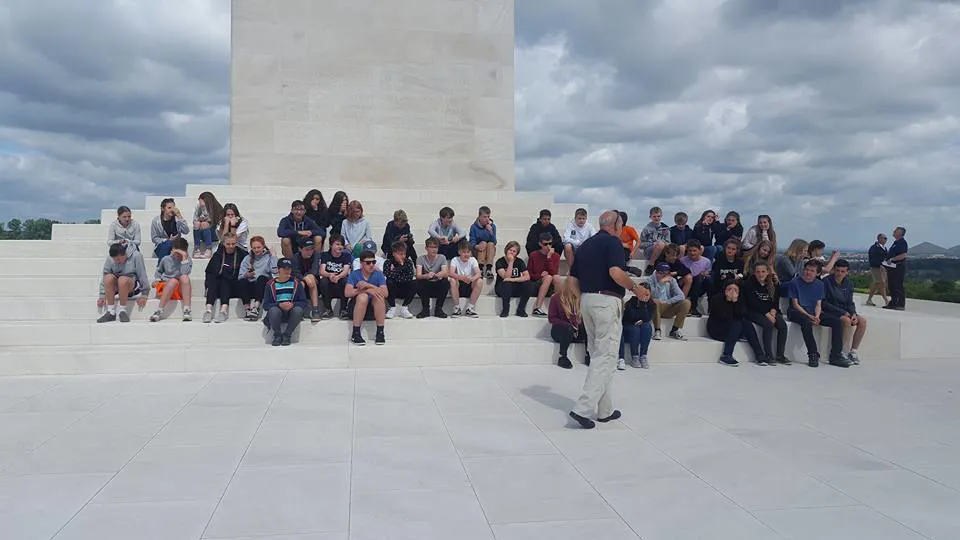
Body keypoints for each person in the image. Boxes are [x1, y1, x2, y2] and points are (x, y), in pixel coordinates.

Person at [567, 210, 647, 429]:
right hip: (606, 301)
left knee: (600, 356)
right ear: (616, 225)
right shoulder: (613, 243)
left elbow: (572, 280)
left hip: (586, 301)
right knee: (606, 355)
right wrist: (635, 288)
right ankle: (583, 409)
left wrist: (581, 301)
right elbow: (615, 272)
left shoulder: (584, 246)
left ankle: (605, 410)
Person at [786, 260, 850, 368]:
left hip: (812, 311)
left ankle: (835, 355)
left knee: (837, 322)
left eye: (812, 271)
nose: (808, 272)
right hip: (796, 311)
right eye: (806, 269)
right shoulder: (795, 282)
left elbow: (818, 304)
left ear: (817, 273)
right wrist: (809, 316)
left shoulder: (819, 285)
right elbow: (795, 304)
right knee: (806, 322)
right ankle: (813, 354)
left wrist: (816, 316)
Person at [707, 281, 766, 366]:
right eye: (729, 289)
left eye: (735, 289)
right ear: (725, 290)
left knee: (747, 324)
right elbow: (724, 316)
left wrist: (735, 302)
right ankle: (726, 355)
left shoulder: (740, 299)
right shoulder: (717, 299)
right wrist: (729, 301)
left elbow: (742, 315)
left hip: (733, 328)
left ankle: (759, 355)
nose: (732, 291)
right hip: (717, 328)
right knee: (737, 323)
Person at [742, 262, 791, 365]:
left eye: (763, 271)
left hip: (769, 310)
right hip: (753, 311)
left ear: (768, 272)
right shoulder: (748, 284)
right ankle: (768, 355)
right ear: (754, 273)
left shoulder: (773, 284)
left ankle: (780, 354)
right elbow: (752, 302)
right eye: (758, 272)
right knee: (768, 325)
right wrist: (766, 314)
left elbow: (775, 300)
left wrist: (773, 310)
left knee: (782, 325)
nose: (761, 274)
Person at [823, 259, 868, 365]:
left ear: (847, 272)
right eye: (837, 270)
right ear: (833, 270)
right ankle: (842, 352)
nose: (839, 274)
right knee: (846, 321)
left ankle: (853, 352)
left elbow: (850, 302)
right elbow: (824, 303)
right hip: (831, 310)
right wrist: (843, 313)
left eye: (843, 271)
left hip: (846, 310)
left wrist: (853, 313)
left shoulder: (848, 283)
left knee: (862, 322)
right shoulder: (826, 282)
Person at [202, 232, 249, 323]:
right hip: (219, 287)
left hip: (235, 286)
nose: (231, 246)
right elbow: (210, 272)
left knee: (225, 280)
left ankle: (223, 311)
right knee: (215, 280)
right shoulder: (218, 255)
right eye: (228, 244)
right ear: (223, 243)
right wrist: (207, 286)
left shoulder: (242, 254)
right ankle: (208, 310)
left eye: (233, 244)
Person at [97, 244, 149, 323]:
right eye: (114, 260)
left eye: (118, 259)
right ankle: (111, 311)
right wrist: (102, 295)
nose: (117, 262)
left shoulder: (136, 255)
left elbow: (142, 274)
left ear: (125, 254)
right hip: (116, 286)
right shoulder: (110, 258)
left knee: (122, 279)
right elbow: (105, 276)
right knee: (108, 277)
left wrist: (144, 294)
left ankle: (122, 310)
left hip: (130, 284)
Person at [262, 258, 309, 346]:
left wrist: (292, 304)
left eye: (289, 269)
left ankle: (287, 335)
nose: (287, 271)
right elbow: (266, 305)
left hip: (291, 312)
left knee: (298, 310)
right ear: (278, 269)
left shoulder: (296, 283)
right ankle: (277, 335)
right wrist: (279, 305)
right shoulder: (270, 284)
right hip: (277, 312)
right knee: (274, 310)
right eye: (284, 269)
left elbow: (303, 302)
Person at [346, 250, 389, 346]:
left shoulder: (378, 274)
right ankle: (355, 333)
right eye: (368, 263)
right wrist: (364, 290)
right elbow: (347, 292)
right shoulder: (354, 274)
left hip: (374, 310)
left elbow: (385, 293)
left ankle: (380, 333)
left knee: (379, 296)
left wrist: (368, 285)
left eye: (373, 262)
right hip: (357, 308)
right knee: (363, 297)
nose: (371, 265)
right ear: (361, 263)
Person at [149, 237, 193, 322]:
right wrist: (157, 280)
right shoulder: (166, 259)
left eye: (181, 253)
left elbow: (185, 273)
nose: (178, 255)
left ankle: (187, 310)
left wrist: (184, 258)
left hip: (180, 289)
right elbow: (159, 271)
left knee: (184, 278)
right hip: (166, 286)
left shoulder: (187, 261)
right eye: (177, 252)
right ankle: (159, 310)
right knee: (173, 280)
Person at [548, 281, 589, 369]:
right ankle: (562, 356)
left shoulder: (580, 298)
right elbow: (552, 318)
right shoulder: (556, 298)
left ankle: (588, 354)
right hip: (560, 331)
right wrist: (567, 324)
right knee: (568, 328)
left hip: (576, 332)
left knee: (587, 326)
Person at [646, 262, 691, 341]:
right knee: (655, 301)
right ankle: (657, 330)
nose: (664, 275)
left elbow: (681, 296)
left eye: (666, 273)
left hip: (667, 306)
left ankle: (675, 330)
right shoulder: (649, 280)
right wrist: (660, 283)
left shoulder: (672, 280)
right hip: (654, 308)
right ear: (656, 272)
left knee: (686, 302)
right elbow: (652, 296)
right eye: (661, 273)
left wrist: (668, 301)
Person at [238, 235, 278, 321]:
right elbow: (240, 276)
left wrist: (274, 255)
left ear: (263, 246)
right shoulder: (247, 258)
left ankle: (256, 307)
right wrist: (246, 275)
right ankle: (247, 309)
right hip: (251, 285)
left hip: (262, 286)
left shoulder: (269, 257)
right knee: (242, 281)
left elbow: (275, 272)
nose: (256, 250)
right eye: (254, 248)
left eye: (258, 247)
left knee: (262, 278)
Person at [317, 235, 353, 320]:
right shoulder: (325, 255)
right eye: (337, 244)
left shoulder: (346, 256)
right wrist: (330, 275)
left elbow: (345, 271)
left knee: (346, 280)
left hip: (340, 282)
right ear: (331, 245)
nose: (340, 247)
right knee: (323, 281)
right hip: (329, 283)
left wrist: (338, 276)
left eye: (341, 244)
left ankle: (343, 309)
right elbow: (322, 271)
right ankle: (328, 309)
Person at [495, 241, 534, 318]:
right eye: (510, 250)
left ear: (517, 253)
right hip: (502, 288)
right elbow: (506, 277)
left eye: (514, 251)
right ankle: (505, 309)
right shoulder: (500, 262)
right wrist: (511, 262)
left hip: (515, 286)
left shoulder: (520, 261)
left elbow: (527, 277)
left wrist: (513, 280)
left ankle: (521, 309)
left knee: (528, 284)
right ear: (506, 250)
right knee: (507, 284)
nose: (512, 252)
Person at [620, 282, 654, 369]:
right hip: (628, 328)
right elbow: (629, 317)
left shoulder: (652, 304)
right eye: (642, 293)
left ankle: (643, 356)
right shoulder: (631, 302)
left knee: (647, 327)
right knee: (635, 328)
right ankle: (634, 356)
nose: (645, 296)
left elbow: (647, 318)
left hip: (640, 328)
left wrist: (643, 304)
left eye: (647, 294)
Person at [415, 238, 449, 318]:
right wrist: (426, 276)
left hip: (437, 284)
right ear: (426, 248)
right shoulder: (420, 259)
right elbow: (418, 275)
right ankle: (425, 309)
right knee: (419, 282)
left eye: (436, 247)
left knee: (445, 282)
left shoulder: (442, 257)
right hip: (427, 285)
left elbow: (445, 273)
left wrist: (438, 274)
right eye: (431, 247)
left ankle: (439, 309)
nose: (434, 250)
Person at [382, 241, 417, 319]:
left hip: (404, 289)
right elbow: (388, 275)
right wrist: (400, 266)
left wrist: (395, 274)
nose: (403, 256)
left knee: (415, 283)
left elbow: (409, 277)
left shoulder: (408, 262)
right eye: (400, 254)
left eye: (404, 254)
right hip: (393, 289)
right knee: (389, 282)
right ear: (394, 253)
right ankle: (392, 307)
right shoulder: (388, 262)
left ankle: (404, 307)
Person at [528, 232, 561, 317]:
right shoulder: (534, 255)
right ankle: (537, 307)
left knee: (556, 277)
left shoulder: (556, 256)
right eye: (545, 244)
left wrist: (549, 258)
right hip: (536, 284)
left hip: (550, 286)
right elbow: (529, 274)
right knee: (548, 277)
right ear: (540, 244)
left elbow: (554, 272)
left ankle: (560, 307)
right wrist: (540, 276)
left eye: (550, 243)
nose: (548, 246)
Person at [449, 239, 483, 317]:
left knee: (480, 281)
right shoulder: (455, 260)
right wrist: (461, 277)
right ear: (459, 252)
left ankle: (470, 308)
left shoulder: (473, 260)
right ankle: (457, 308)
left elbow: (478, 273)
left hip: (469, 284)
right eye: (464, 252)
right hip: (459, 286)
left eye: (468, 252)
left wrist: (471, 279)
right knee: (452, 280)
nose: (466, 254)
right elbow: (451, 273)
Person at [290, 238, 322, 321]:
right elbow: (295, 273)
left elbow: (315, 270)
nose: (310, 252)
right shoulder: (295, 258)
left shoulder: (316, 255)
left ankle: (315, 310)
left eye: (311, 249)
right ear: (300, 249)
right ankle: (299, 309)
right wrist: (305, 278)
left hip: (314, 283)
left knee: (311, 278)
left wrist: (308, 276)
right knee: (301, 283)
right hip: (301, 282)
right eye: (307, 249)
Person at [680, 239, 712, 317]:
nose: (692, 253)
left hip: (700, 287)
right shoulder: (682, 261)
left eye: (694, 250)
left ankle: (710, 307)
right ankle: (693, 307)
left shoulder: (706, 261)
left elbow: (708, 274)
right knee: (695, 277)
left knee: (706, 280)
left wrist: (704, 274)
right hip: (687, 286)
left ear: (699, 250)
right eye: (690, 251)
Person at [562, 208, 595, 273]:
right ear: (575, 218)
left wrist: (586, 244)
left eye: (583, 218)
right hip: (573, 250)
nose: (581, 221)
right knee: (567, 246)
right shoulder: (571, 225)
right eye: (579, 218)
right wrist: (577, 243)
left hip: (585, 249)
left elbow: (595, 237)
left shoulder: (589, 226)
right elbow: (565, 239)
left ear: (586, 218)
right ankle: (572, 270)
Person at [469, 206, 498, 279]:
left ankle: (488, 269)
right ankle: (480, 269)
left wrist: (491, 232)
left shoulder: (492, 226)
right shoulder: (473, 227)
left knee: (490, 244)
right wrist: (477, 246)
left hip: (489, 251)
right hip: (478, 250)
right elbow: (472, 241)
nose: (487, 219)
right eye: (484, 217)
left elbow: (494, 242)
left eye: (488, 217)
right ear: (479, 217)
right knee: (483, 243)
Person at [884, 227, 908, 311]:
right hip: (891, 268)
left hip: (898, 267)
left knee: (898, 285)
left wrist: (892, 259)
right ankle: (893, 303)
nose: (893, 232)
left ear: (900, 233)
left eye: (896, 231)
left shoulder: (902, 243)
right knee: (892, 285)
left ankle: (900, 304)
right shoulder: (896, 242)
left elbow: (903, 255)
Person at [192, 191, 223, 258]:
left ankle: (209, 249)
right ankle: (197, 249)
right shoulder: (199, 208)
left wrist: (210, 220)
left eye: (203, 204)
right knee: (196, 224)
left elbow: (219, 224)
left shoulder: (217, 208)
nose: (201, 205)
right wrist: (199, 220)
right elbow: (194, 220)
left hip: (214, 235)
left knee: (204, 224)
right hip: (202, 233)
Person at [866, 233, 889, 307]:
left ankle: (870, 299)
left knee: (880, 284)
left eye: (886, 238)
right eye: (884, 238)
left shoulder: (884, 248)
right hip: (876, 268)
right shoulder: (874, 247)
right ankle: (885, 300)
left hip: (883, 268)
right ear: (879, 239)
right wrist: (879, 264)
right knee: (880, 283)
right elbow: (872, 258)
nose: (885, 240)